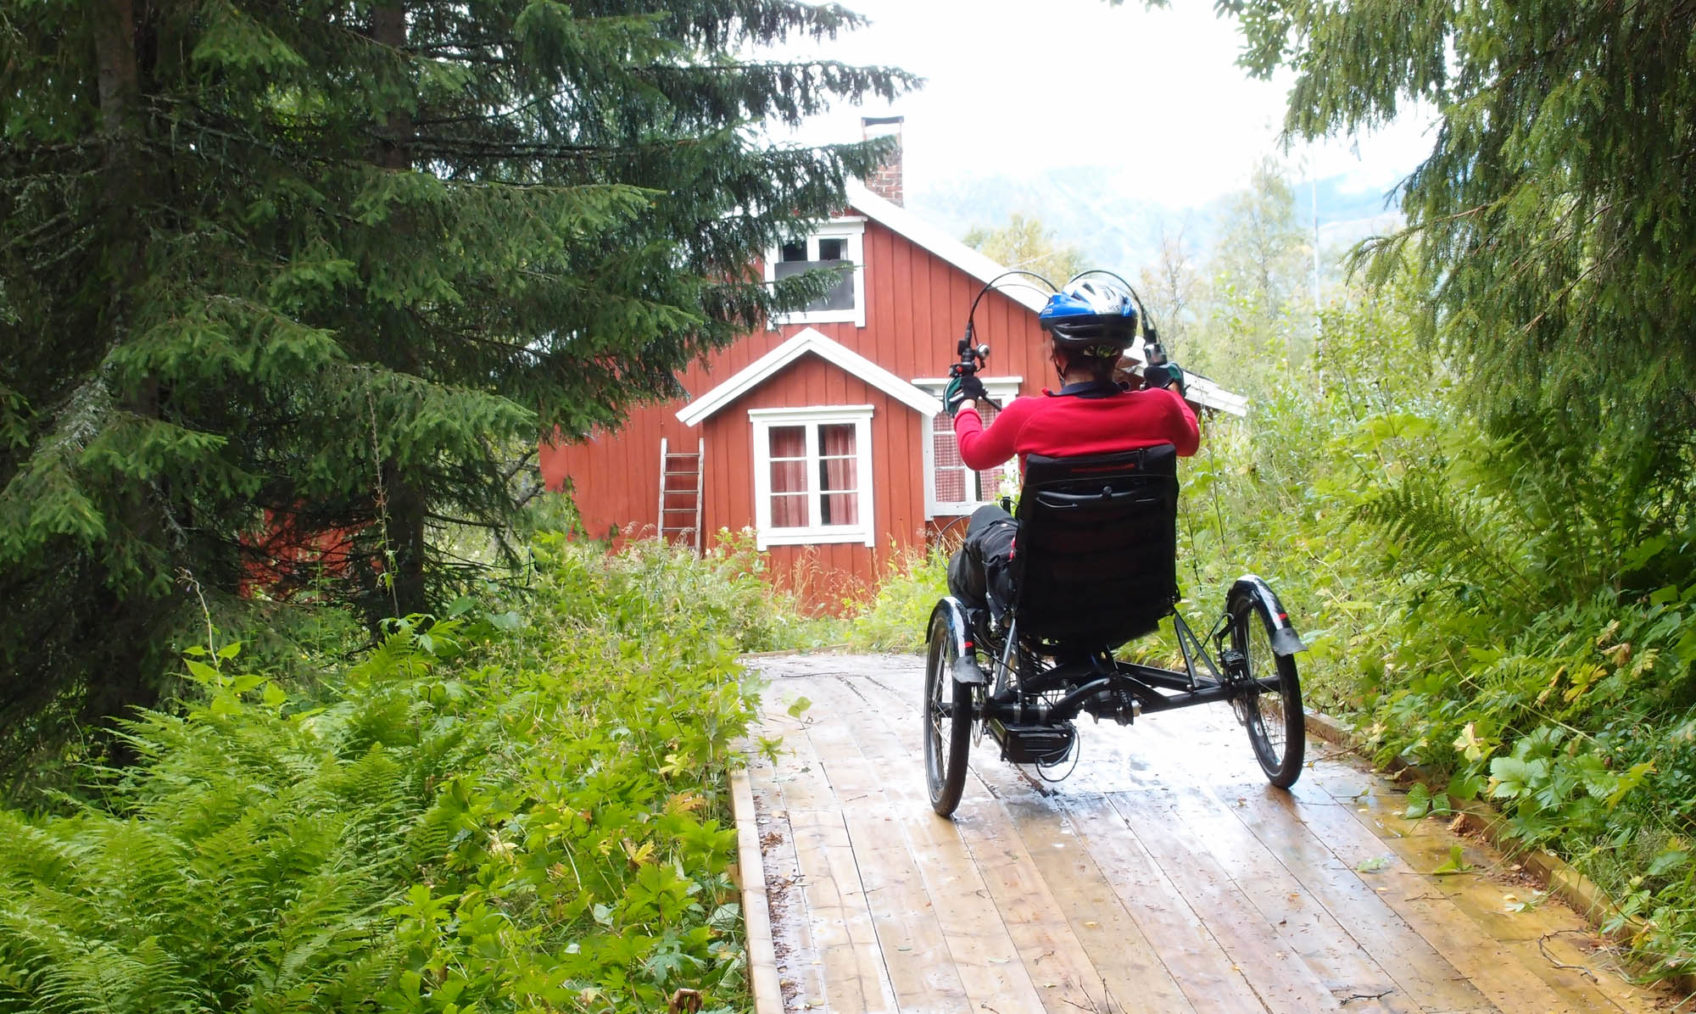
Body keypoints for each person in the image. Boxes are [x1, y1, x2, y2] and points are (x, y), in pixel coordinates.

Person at [943, 278, 1200, 620]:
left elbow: (974, 452)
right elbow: (1190, 441)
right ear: (1119, 354)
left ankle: (976, 636)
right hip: (1137, 585)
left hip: (1044, 591)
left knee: (986, 519)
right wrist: (1168, 389)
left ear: (1057, 352)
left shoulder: (1027, 416)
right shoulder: (1160, 408)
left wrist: (965, 404)